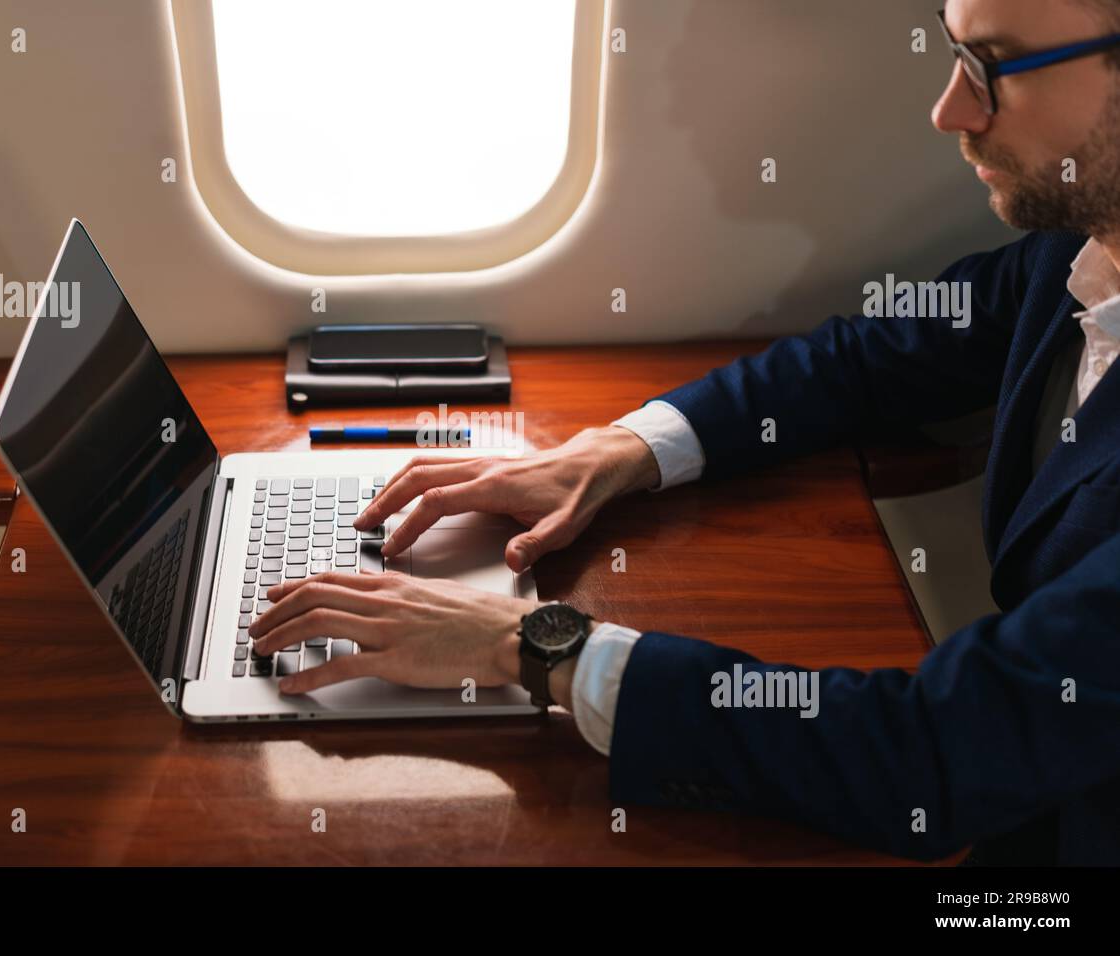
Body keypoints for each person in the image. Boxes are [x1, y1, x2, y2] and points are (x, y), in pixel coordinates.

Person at [249, 0, 1120, 865]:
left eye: (994, 65)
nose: (950, 111)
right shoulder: (1082, 244)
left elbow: (924, 755)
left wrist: (532, 645)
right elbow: (876, 358)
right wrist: (619, 453)